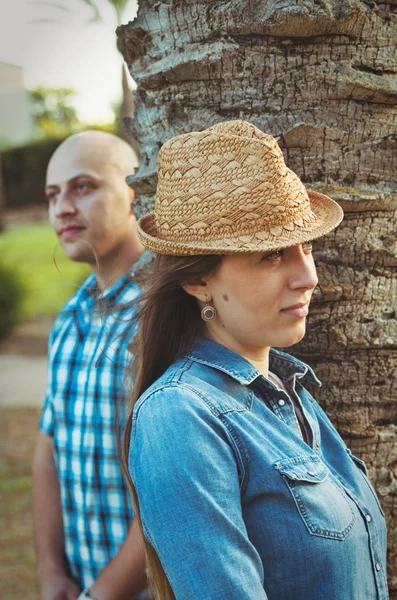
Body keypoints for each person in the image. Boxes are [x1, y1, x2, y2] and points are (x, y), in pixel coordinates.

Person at [123, 120, 388, 600]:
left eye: (306, 247)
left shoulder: (291, 393)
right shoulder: (180, 416)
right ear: (196, 281)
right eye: (271, 255)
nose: (307, 276)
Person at [32, 131, 150, 600]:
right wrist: (50, 571)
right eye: (52, 194)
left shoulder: (159, 321)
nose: (61, 207)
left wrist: (102, 595)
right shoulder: (69, 320)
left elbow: (173, 491)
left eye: (82, 187)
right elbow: (47, 452)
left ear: (134, 197)